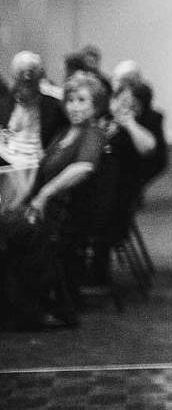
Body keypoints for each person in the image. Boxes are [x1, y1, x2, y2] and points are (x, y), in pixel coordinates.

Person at [0, 71, 110, 328]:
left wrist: (42, 196)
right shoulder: (64, 132)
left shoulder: (92, 133)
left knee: (10, 230)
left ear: (96, 105)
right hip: (47, 207)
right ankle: (15, 306)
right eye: (70, 100)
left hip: (67, 214)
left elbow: (83, 167)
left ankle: (26, 310)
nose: (75, 106)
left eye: (82, 100)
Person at [0, 51, 69, 166]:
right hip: (7, 167)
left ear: (39, 78)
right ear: (14, 77)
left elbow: (66, 136)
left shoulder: (54, 106)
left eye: (31, 81)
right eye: (22, 80)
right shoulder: (3, 105)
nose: (27, 78)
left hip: (41, 167)